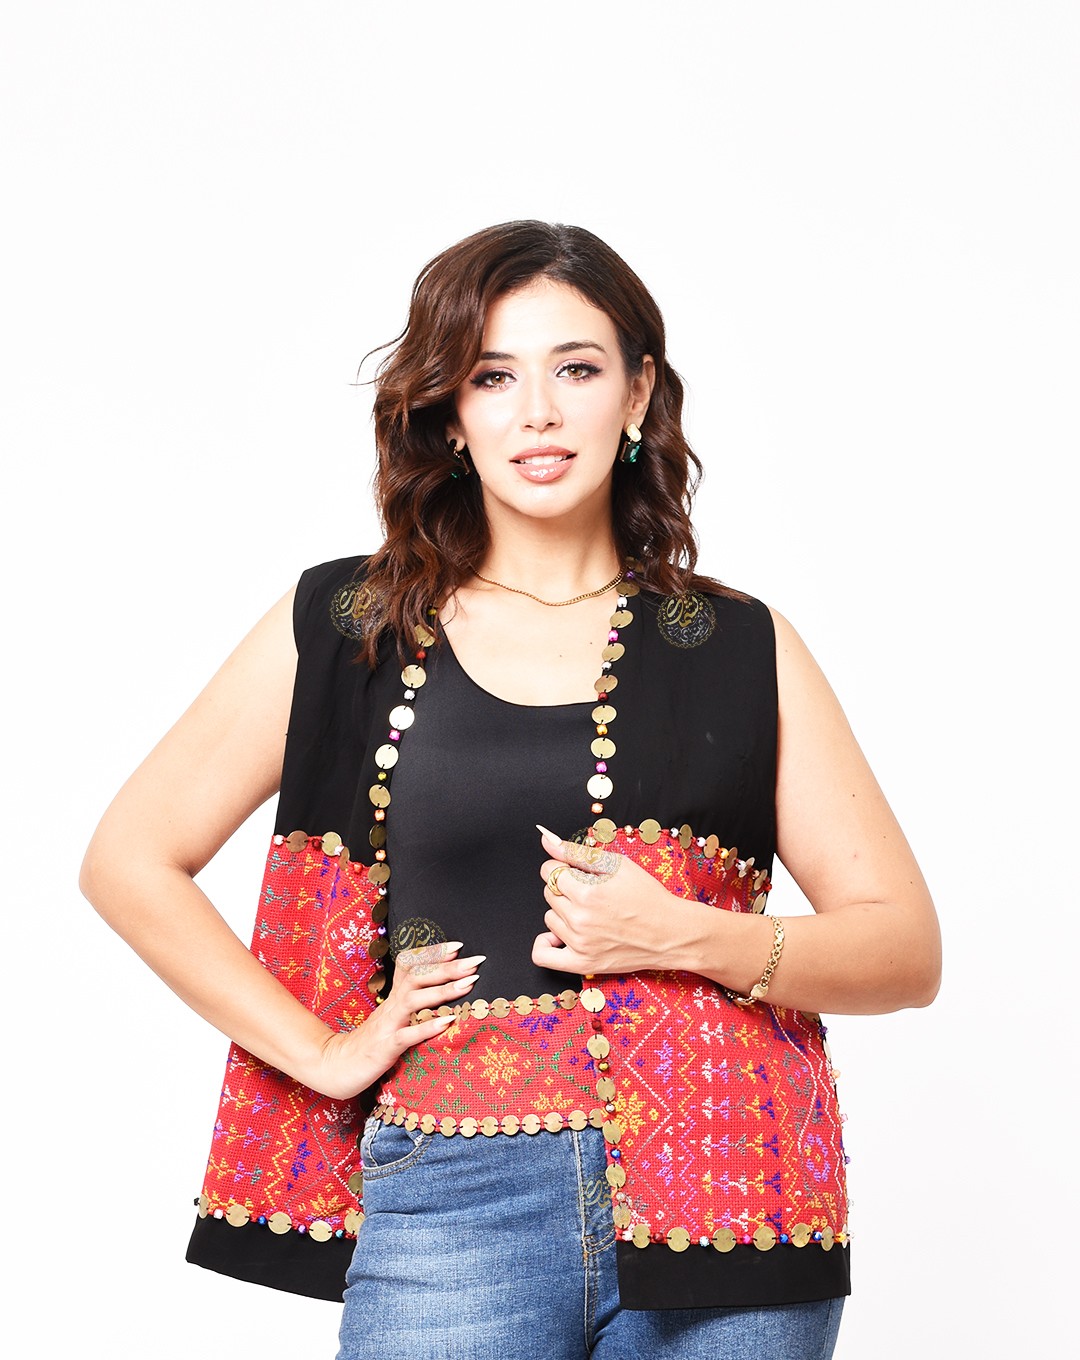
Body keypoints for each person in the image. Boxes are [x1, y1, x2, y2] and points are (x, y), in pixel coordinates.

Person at [80, 220, 940, 1359]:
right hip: (452, 1195)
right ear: (451, 413)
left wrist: (688, 935)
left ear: (637, 394)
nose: (537, 411)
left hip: (729, 1195)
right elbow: (129, 859)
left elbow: (905, 949)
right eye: (493, 376)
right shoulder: (349, 626)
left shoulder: (740, 645)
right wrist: (323, 1052)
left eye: (575, 369)